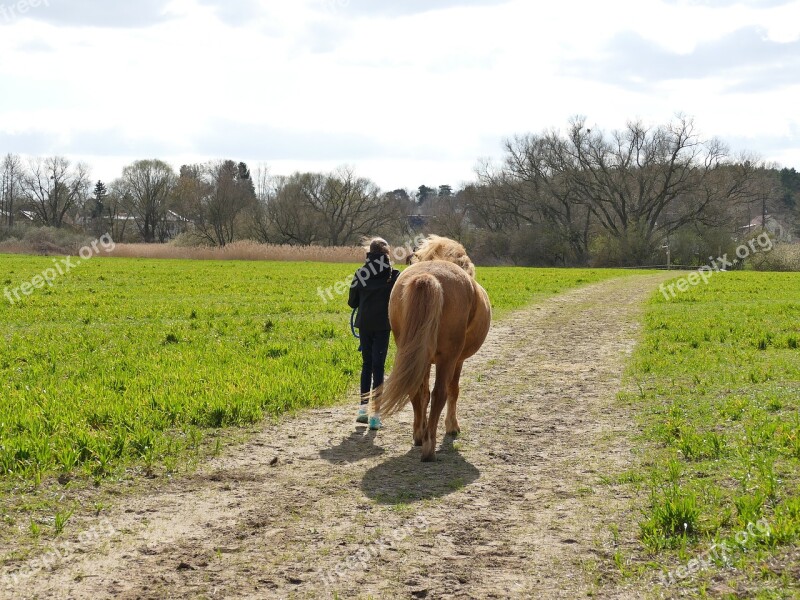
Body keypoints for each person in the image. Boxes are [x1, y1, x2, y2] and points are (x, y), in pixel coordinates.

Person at [348, 237, 400, 430]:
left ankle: (362, 409)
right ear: (387, 254)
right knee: (378, 367)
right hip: (383, 326)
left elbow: (352, 302)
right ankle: (376, 416)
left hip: (365, 325)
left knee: (367, 365)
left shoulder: (361, 274)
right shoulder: (393, 275)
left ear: (369, 253)